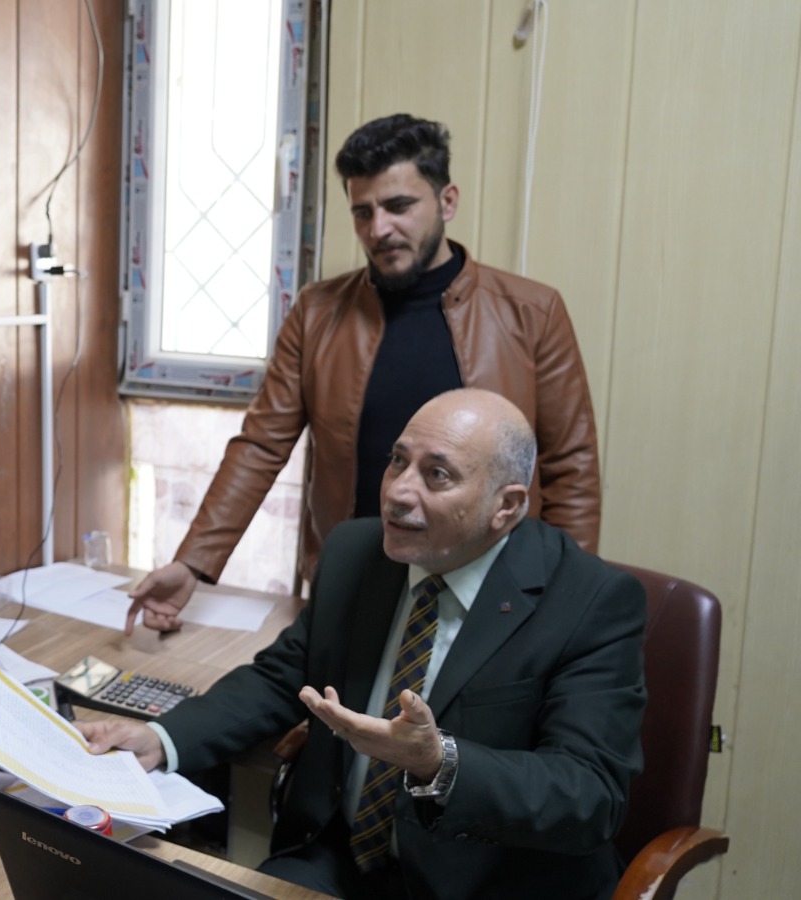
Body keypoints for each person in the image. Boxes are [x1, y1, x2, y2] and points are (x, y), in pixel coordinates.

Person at [83, 389, 645, 899]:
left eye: (437, 475)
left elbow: (590, 795)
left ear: (507, 506)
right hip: (337, 862)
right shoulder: (356, 551)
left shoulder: (591, 602)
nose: (398, 492)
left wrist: (439, 762)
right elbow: (284, 677)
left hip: (485, 883)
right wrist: (161, 738)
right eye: (398, 460)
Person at [126, 114, 601, 634]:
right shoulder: (316, 313)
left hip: (490, 590)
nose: (379, 229)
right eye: (363, 212)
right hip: (355, 584)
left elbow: (570, 466)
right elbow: (261, 446)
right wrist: (193, 561)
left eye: (399, 206)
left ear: (447, 202)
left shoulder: (531, 313)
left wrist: (563, 600)